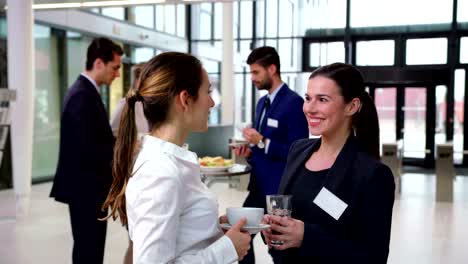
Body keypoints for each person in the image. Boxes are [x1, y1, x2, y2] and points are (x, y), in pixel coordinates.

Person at [102, 52, 251, 263]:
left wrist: (210, 228)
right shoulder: (160, 172)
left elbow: (181, 235)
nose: (211, 102)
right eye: (207, 92)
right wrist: (227, 248)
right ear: (185, 99)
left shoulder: (169, 162)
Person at [262, 63, 395, 263]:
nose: (309, 108)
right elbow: (287, 210)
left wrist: (306, 237)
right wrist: (274, 228)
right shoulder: (298, 150)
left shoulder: (373, 174)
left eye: (322, 100)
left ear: (352, 106)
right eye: (308, 98)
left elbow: (373, 256)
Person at [50, 37, 123, 264]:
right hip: (87, 190)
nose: (118, 74)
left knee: (88, 248)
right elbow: (87, 149)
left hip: (88, 189)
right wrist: (119, 150)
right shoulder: (82, 94)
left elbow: (92, 137)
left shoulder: (86, 91)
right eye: (115, 67)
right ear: (99, 63)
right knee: (88, 250)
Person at [233, 46, 309, 264]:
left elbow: (299, 151)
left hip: (280, 193)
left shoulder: (293, 103)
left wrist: (263, 142)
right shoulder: (262, 103)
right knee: (241, 238)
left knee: (278, 250)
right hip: (258, 187)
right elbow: (261, 147)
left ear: (272, 69)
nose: (252, 78)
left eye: (256, 72)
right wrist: (249, 151)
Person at [109, 63, 147, 264]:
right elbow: (112, 136)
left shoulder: (157, 104)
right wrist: (130, 144)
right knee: (136, 241)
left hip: (153, 175)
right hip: (133, 178)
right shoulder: (126, 105)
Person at [110, 62, 149, 137]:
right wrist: (132, 142)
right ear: (137, 80)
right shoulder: (125, 103)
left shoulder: (151, 105)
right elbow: (111, 133)